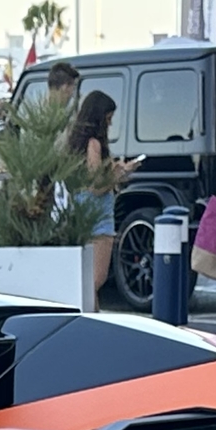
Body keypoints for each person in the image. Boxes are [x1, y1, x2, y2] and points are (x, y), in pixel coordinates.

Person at [66, 89, 137, 295]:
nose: (110, 124)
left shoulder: (75, 143)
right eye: (108, 118)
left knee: (87, 279)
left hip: (81, 211)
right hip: (98, 216)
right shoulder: (94, 144)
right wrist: (118, 174)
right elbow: (97, 186)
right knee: (96, 278)